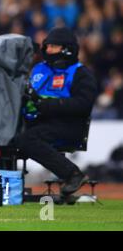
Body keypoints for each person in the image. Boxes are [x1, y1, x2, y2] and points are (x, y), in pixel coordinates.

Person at [18, 27, 98, 197]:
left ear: (67, 49)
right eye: (47, 46)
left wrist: (46, 105)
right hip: (36, 122)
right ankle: (2, 184)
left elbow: (83, 104)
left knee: (28, 139)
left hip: (68, 125)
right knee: (6, 135)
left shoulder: (81, 73)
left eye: (54, 46)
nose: (48, 50)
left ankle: (73, 174)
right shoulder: (38, 69)